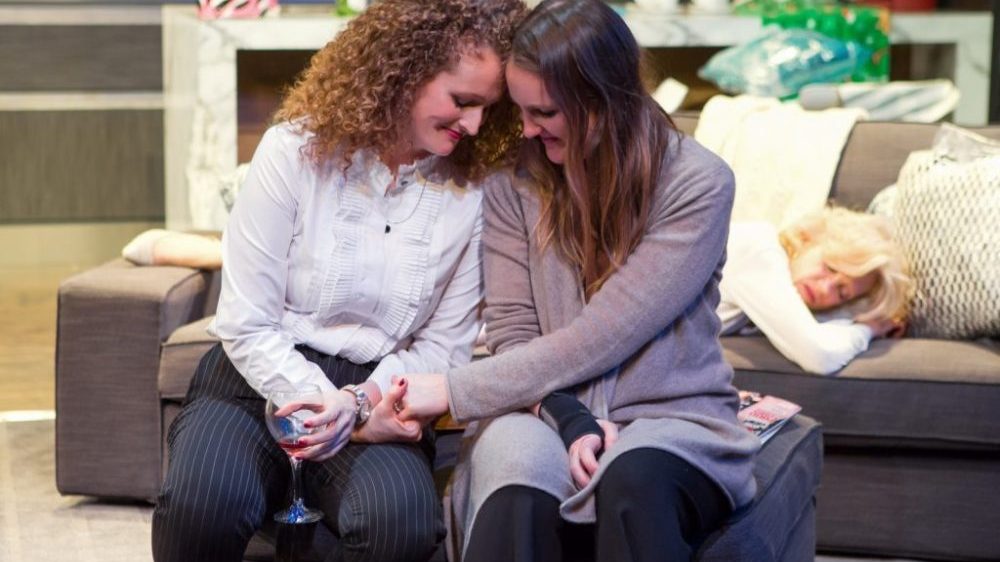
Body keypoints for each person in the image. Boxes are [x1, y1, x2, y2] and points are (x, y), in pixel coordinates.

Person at [150, 0, 525, 560]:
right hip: (255, 382)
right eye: (462, 101)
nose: (473, 125)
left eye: (486, 108)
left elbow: (444, 346)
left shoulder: (474, 192)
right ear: (405, 71)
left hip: (380, 395)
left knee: (400, 522)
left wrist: (359, 405)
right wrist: (327, 405)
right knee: (204, 503)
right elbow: (247, 321)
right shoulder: (292, 152)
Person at [394, 1, 759, 560]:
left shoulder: (698, 183)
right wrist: (569, 418)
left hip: (670, 417)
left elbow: (608, 331)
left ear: (602, 100)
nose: (525, 128)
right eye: (519, 109)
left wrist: (451, 390)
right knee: (513, 486)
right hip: (538, 408)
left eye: (543, 111)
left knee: (634, 484)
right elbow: (515, 329)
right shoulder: (514, 182)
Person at [719, 208, 913, 374]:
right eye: (830, 267)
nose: (824, 288)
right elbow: (820, 355)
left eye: (841, 292)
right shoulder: (760, 252)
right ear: (807, 240)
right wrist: (870, 329)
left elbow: (815, 327)